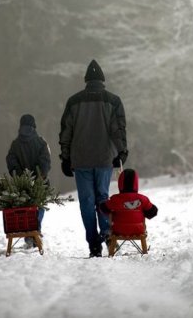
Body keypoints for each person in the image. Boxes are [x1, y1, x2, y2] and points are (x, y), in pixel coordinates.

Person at [59, 59, 128, 257]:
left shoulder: (74, 101)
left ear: (86, 80)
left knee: (86, 202)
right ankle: (106, 234)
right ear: (103, 80)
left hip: (80, 160)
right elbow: (118, 130)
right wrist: (122, 152)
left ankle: (93, 244)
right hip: (104, 158)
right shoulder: (113, 101)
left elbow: (66, 132)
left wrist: (65, 157)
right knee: (103, 198)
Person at [6, 114, 51, 244]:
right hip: (40, 183)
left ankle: (29, 233)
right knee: (40, 206)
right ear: (34, 126)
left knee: (25, 208)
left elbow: (11, 162)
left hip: (21, 185)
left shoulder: (14, 145)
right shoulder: (41, 142)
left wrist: (20, 177)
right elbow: (46, 162)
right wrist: (40, 177)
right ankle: (35, 231)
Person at [99, 168, 158, 237]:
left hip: (118, 230)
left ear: (120, 183)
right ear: (136, 183)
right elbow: (153, 212)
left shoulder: (115, 199)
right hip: (138, 230)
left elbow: (103, 208)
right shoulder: (142, 199)